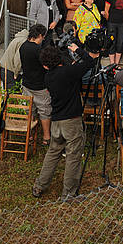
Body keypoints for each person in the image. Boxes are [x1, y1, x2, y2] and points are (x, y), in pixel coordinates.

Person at [32, 42, 99, 201]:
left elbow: (65, 73)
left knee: (53, 153)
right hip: (72, 121)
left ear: (46, 66)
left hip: (56, 121)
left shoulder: (48, 77)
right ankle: (68, 194)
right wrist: (78, 50)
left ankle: (39, 185)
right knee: (73, 156)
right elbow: (90, 62)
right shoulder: (69, 71)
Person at [19, 24, 51, 144]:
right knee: (44, 111)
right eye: (43, 37)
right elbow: (46, 65)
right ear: (39, 36)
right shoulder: (38, 49)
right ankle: (46, 137)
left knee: (30, 110)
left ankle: (30, 135)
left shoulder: (23, 46)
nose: (43, 39)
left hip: (27, 83)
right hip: (40, 85)